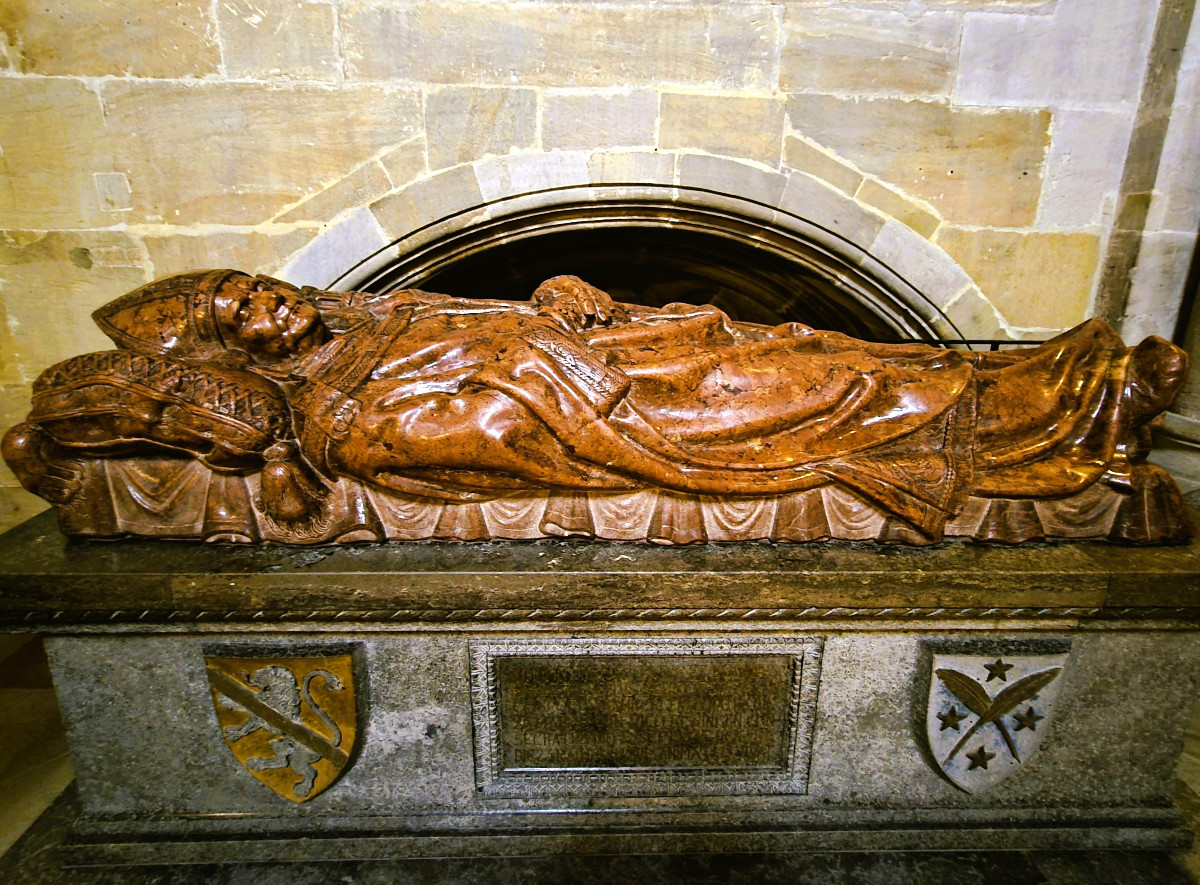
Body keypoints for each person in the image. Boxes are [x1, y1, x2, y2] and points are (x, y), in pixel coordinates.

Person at [3, 269, 1190, 541]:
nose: (262, 298)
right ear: (235, 354)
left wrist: (557, 299)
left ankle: (1058, 390)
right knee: (835, 392)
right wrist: (544, 366)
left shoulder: (369, 319)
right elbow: (504, 445)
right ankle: (1070, 418)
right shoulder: (336, 417)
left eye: (247, 281)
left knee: (816, 346)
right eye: (236, 311)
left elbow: (490, 315)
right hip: (637, 417)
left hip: (636, 351)